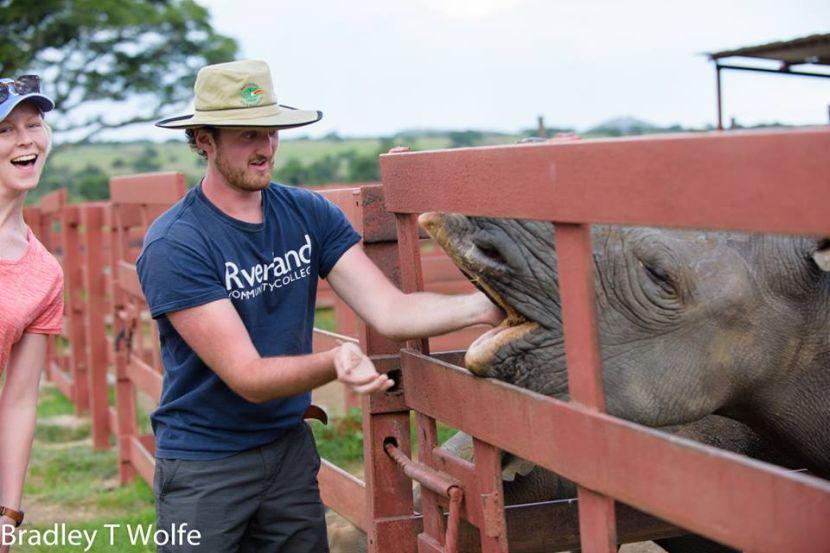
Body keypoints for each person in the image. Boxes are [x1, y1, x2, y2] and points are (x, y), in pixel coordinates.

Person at [138, 59, 502, 552]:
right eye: (246, 135)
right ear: (204, 139)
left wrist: (484, 307)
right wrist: (335, 361)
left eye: (271, 132)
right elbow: (246, 375)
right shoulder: (177, 244)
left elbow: (391, 310)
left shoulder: (307, 214)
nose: (265, 147)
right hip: (207, 463)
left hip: (287, 450)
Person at [0, 75, 62, 551]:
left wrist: (8, 513)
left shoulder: (43, 274)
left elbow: (19, 401)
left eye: (34, 124)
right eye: (4, 129)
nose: (25, 140)